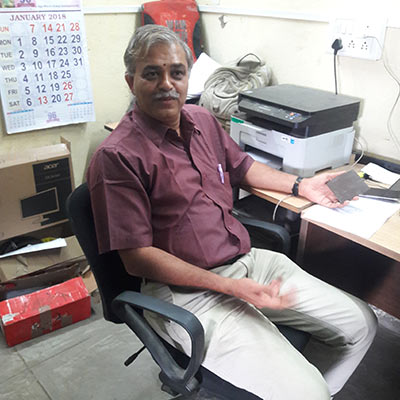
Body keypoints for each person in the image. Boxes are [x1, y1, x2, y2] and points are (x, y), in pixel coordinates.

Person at [87, 25, 377, 400]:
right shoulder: (117, 156)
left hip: (247, 262)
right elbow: (137, 258)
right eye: (152, 73)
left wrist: (300, 185)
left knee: (361, 325)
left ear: (188, 77)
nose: (166, 84)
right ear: (131, 81)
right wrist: (229, 287)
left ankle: (300, 387)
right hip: (187, 293)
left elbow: (243, 167)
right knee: (308, 392)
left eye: (176, 72)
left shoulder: (202, 121)